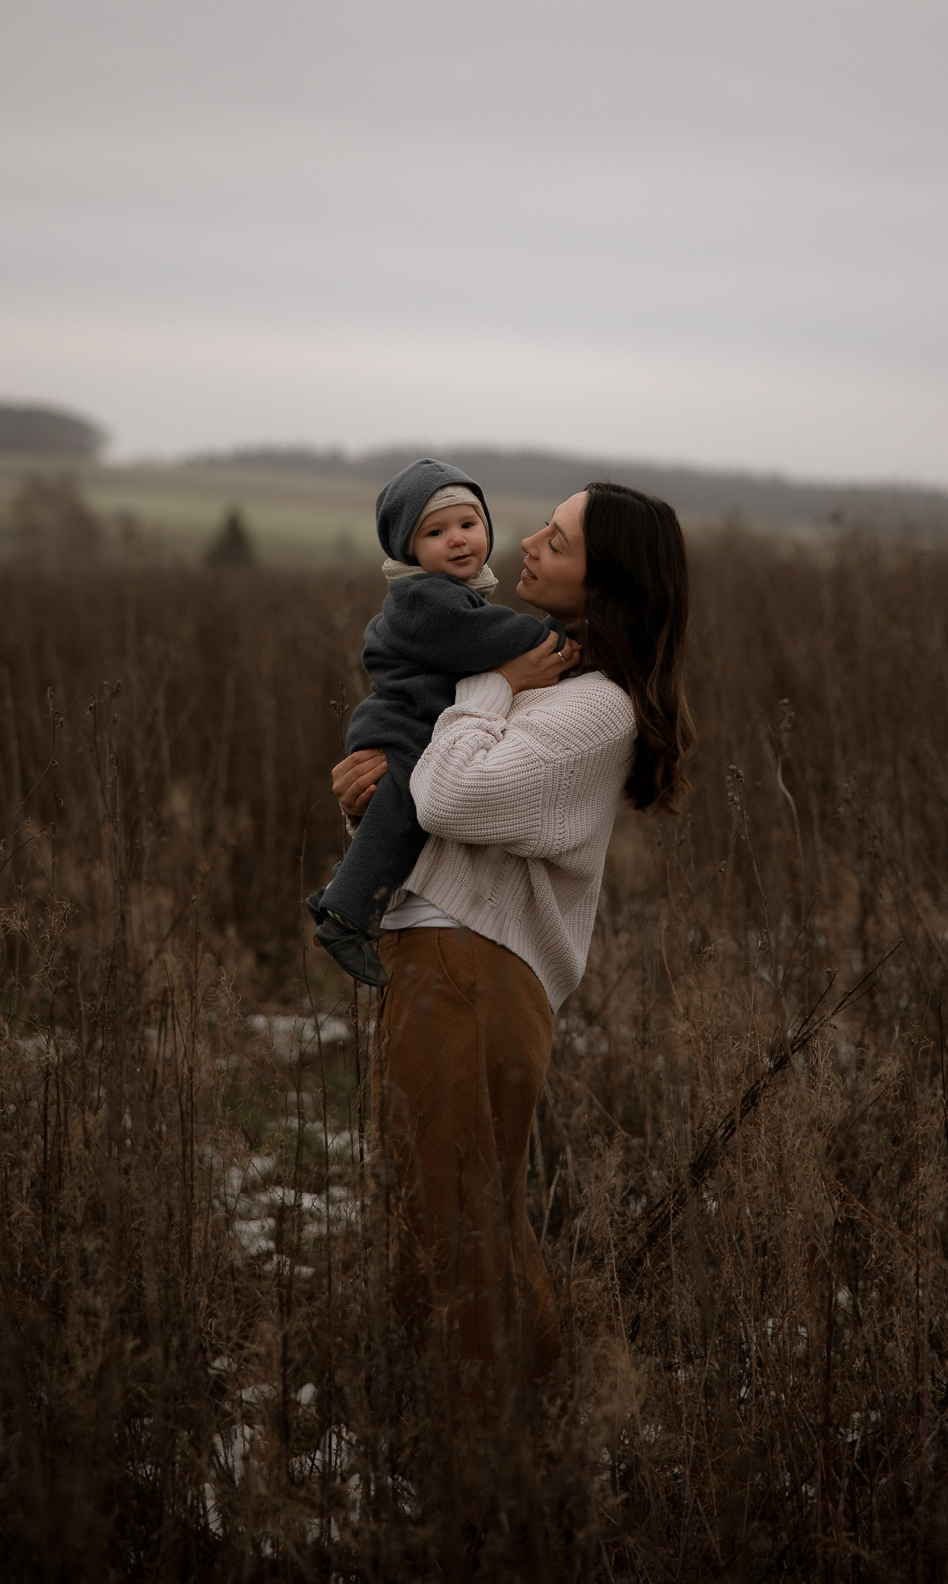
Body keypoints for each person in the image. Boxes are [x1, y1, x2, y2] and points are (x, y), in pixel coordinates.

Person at [329, 480, 693, 1488]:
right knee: (433, 1219)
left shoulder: (590, 706)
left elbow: (453, 788)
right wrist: (371, 785)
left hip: (474, 972)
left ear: (605, 577)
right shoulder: (549, 679)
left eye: (560, 538)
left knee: (458, 1230)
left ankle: (497, 1472)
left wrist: (485, 679)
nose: (525, 539)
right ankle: (462, 1459)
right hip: (442, 958)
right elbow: (439, 801)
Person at [307, 457, 568, 987]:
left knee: (399, 820)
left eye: (468, 524)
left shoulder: (447, 593)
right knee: (404, 807)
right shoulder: (427, 599)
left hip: (413, 718)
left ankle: (341, 889)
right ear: (408, 547)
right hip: (402, 725)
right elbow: (485, 637)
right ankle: (345, 919)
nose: (457, 540)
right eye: (435, 531)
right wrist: (552, 639)